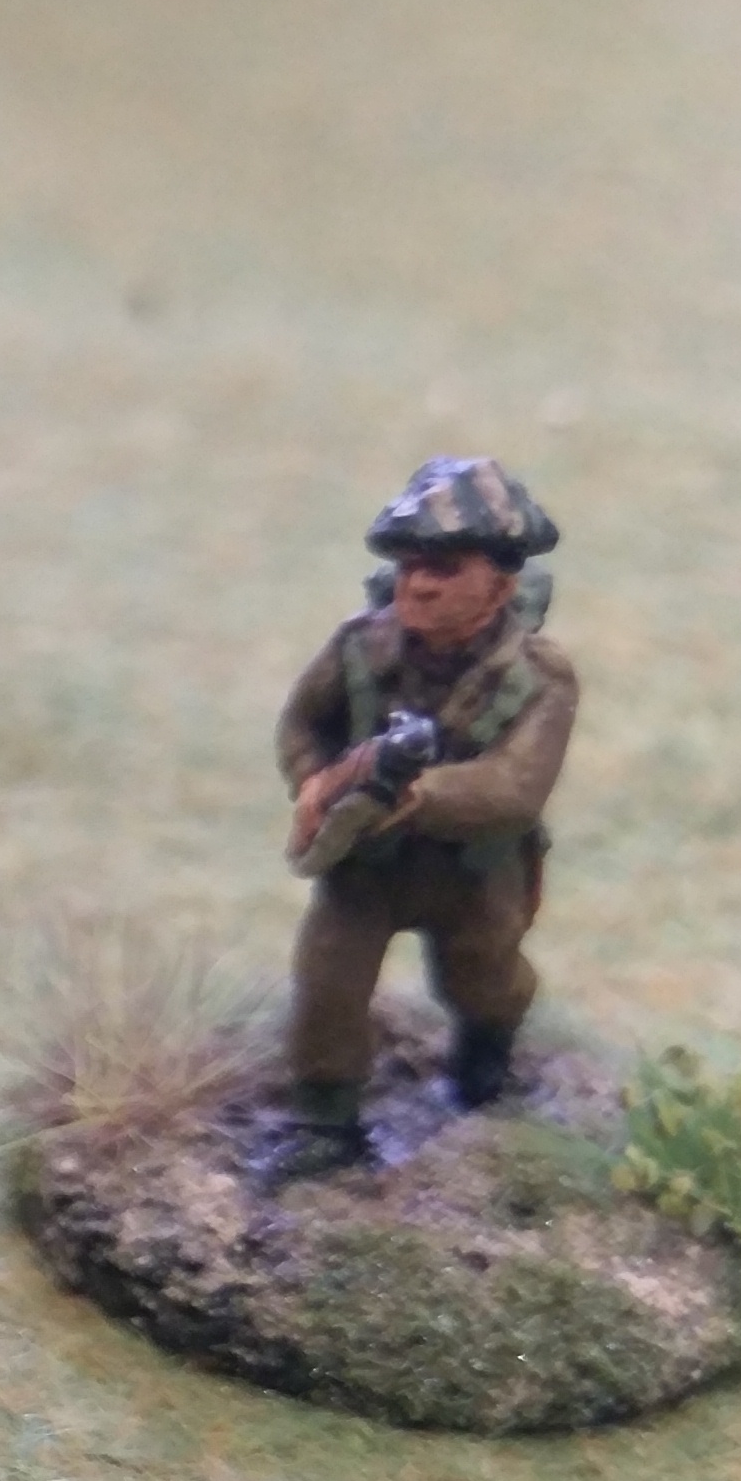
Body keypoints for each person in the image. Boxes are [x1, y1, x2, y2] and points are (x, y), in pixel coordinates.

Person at [266, 456, 578, 1181]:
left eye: (445, 567)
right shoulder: (357, 649)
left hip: (476, 872)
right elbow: (301, 725)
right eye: (409, 565)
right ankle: (325, 1121)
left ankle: (485, 1071)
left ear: (500, 585)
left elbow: (516, 786)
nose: (419, 583)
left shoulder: (538, 678)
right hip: (364, 862)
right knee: (329, 980)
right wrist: (317, 784)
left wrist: (419, 794)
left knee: (485, 979)